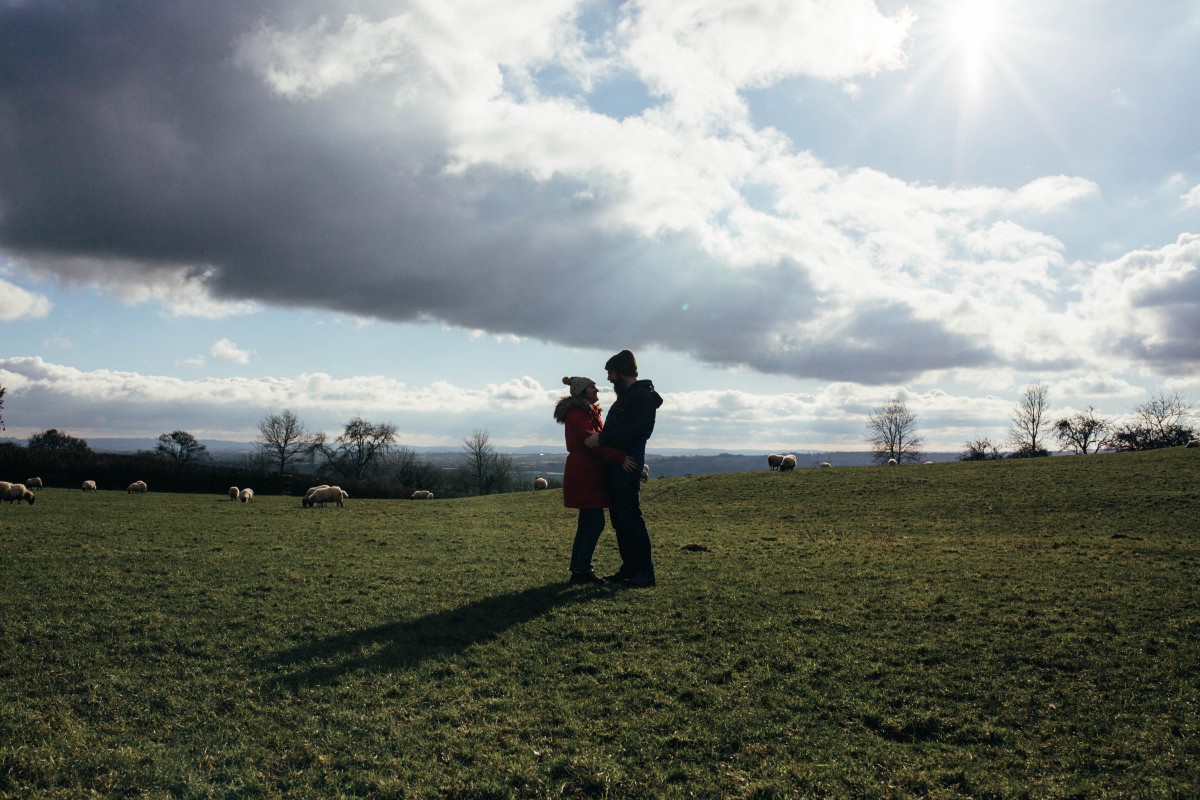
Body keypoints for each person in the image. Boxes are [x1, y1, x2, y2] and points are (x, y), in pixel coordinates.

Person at [586, 349, 663, 588]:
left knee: (630, 518)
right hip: (619, 466)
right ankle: (630, 568)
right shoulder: (630, 397)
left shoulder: (639, 398)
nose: (609, 379)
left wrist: (603, 438)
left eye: (611, 373)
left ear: (620, 373)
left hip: (627, 467)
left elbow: (634, 430)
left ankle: (644, 572)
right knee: (621, 519)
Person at [554, 375, 636, 584]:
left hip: (588, 472)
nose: (597, 390)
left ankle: (579, 569)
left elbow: (599, 439)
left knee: (588, 523)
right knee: (594, 522)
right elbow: (593, 442)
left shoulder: (587, 412)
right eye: (592, 387)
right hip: (585, 473)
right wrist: (620, 458)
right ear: (582, 391)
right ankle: (581, 570)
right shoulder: (579, 413)